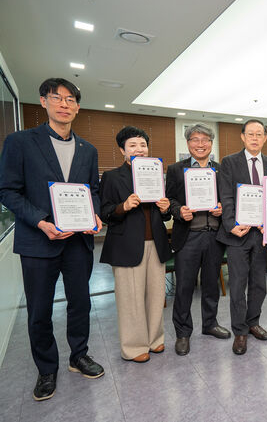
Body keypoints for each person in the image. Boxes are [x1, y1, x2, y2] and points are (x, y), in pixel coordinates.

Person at [0, 78, 104, 401]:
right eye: (57, 97)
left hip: (78, 243)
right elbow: (7, 191)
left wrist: (95, 214)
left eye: (70, 99)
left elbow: (92, 191)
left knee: (80, 303)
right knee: (40, 310)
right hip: (38, 241)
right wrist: (41, 222)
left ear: (78, 107)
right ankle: (46, 369)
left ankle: (78, 355)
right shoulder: (21, 142)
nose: (64, 104)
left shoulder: (88, 149)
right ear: (43, 101)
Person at [99, 126, 172, 363]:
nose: (139, 149)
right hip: (127, 245)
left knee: (155, 295)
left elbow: (163, 216)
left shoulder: (156, 174)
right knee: (130, 298)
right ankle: (133, 346)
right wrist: (123, 206)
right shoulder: (112, 177)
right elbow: (104, 212)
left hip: (156, 243)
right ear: (122, 150)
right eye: (132, 145)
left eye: (143, 145)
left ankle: (155, 339)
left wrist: (165, 209)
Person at [166, 124, 230, 356]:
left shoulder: (221, 170)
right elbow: (170, 200)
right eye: (195, 139)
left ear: (211, 144)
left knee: (212, 284)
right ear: (188, 143)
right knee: (184, 286)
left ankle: (210, 323)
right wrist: (178, 211)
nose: (200, 144)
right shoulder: (176, 169)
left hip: (214, 236)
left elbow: (229, 199)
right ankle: (183, 332)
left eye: (205, 140)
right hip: (188, 237)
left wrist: (223, 207)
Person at [216, 119, 267, 355]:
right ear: (242, 137)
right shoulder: (229, 162)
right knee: (238, 285)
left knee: (259, 284)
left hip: (261, 235)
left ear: (265, 138)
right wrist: (231, 224)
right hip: (238, 235)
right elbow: (226, 196)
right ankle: (240, 331)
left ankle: (253, 322)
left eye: (259, 134)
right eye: (250, 134)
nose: (254, 138)